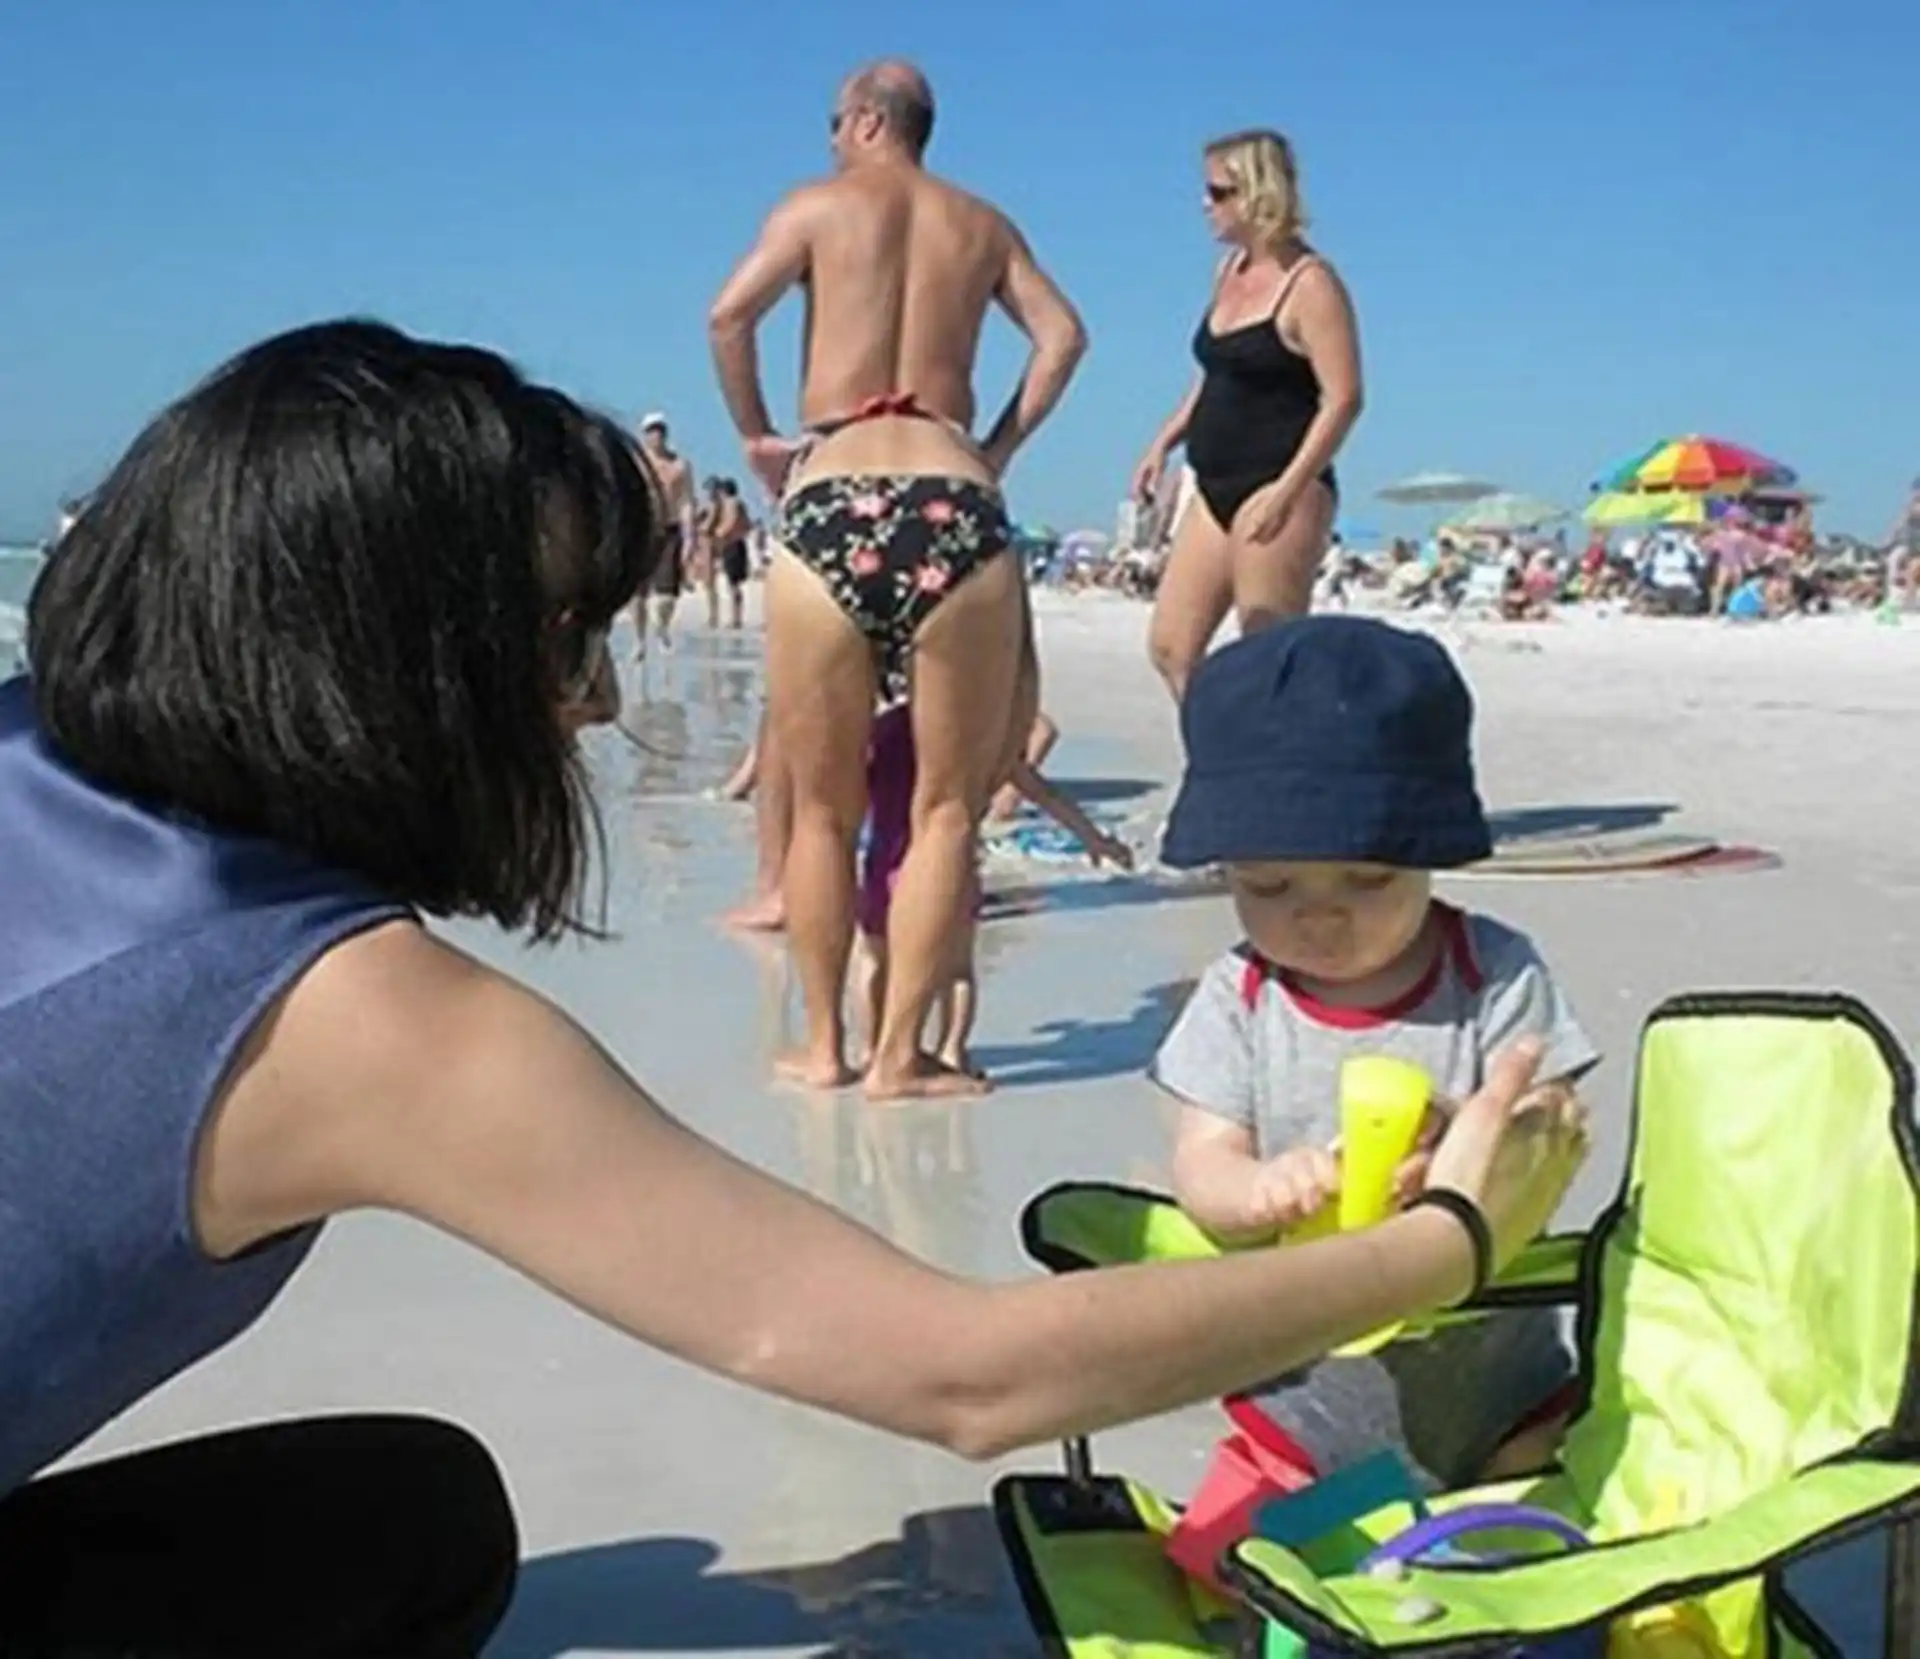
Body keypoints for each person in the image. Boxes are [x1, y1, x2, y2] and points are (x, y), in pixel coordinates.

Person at [0, 319, 1587, 1655]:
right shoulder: (343, 1018)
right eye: (559, 637)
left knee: (406, 1510)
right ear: (388, 658)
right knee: (413, 1535)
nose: (595, 699)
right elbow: (970, 1373)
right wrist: (1446, 1240)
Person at [707, 59, 1089, 1096]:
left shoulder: (814, 207)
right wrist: (994, 448)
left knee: (822, 811)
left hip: (832, 492)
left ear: (870, 122)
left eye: (835, 122)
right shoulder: (982, 224)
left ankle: (824, 1046)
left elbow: (729, 316)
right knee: (946, 811)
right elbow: (1063, 338)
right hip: (954, 494)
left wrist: (756, 436)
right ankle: (902, 1057)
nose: (831, 139)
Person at [1151, 615, 1597, 1490]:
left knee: (1545, 1491)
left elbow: (1553, 1129)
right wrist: (1257, 1188)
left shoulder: (1493, 971)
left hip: (1501, 1373)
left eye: (1368, 878)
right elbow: (1201, 1162)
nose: (1319, 913)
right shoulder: (1240, 996)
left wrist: (1466, 1133)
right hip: (1301, 1381)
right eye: (1269, 885)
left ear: (1430, 853)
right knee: (1249, 1530)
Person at [1132, 130, 1363, 699]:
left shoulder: (1311, 285)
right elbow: (1217, 374)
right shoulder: (1228, 271)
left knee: (1267, 655)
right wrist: (1163, 441)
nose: (1204, 204)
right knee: (1171, 648)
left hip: (1280, 481)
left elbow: (1344, 398)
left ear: (1258, 192)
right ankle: (1217, 750)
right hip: (1213, 483)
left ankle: (1284, 756)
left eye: (1218, 192)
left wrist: (1288, 490)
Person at [851, 701, 1132, 1080]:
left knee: (874, 956)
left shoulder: (879, 731)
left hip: (884, 861)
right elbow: (1040, 791)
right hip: (948, 866)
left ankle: (872, 1048)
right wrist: (1094, 838)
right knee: (956, 967)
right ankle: (952, 1052)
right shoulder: (968, 732)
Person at [632, 411, 696, 655]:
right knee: (637, 593)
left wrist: (690, 538)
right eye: (651, 431)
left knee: (667, 594)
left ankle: (661, 628)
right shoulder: (637, 462)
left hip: (670, 529)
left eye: (659, 430)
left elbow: (686, 502)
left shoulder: (680, 465)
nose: (656, 436)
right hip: (643, 527)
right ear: (644, 435)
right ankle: (639, 640)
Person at [709, 476, 754, 629]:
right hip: (738, 543)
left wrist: (719, 533)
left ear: (724, 491)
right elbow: (747, 525)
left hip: (731, 544)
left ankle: (736, 619)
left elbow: (731, 521)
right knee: (735, 583)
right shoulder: (740, 504)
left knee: (733, 584)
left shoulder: (731, 503)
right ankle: (737, 617)